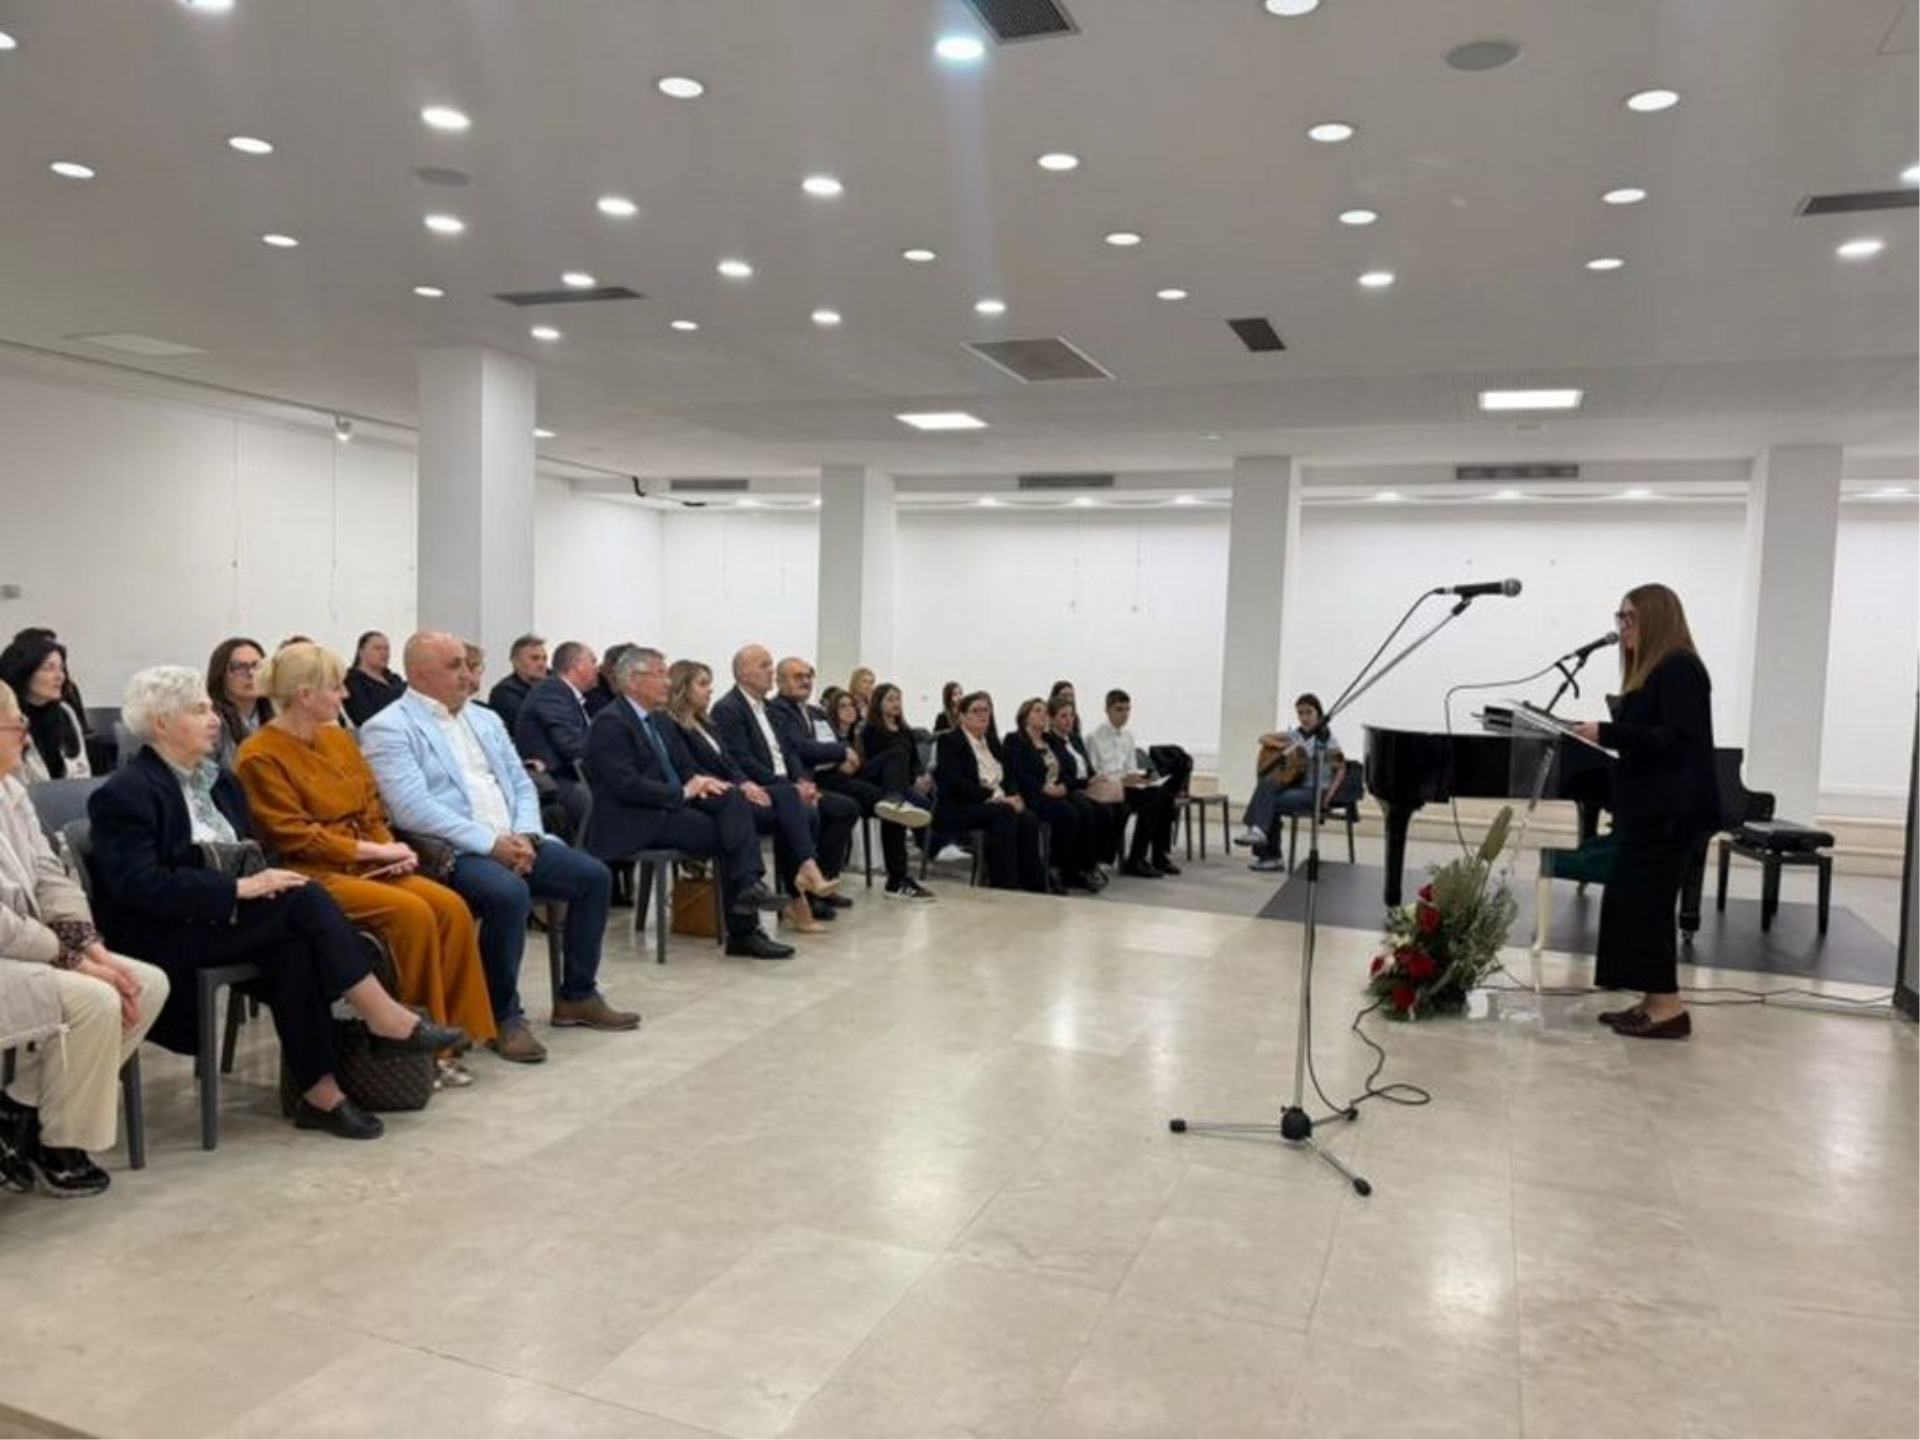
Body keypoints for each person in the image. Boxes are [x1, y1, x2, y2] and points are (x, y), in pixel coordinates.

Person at [85, 666, 464, 1138]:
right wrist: (238, 889)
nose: (215, 719)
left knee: (297, 947)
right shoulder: (125, 793)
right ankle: (384, 1019)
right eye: (199, 710)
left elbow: (253, 851)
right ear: (161, 724)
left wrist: (261, 880)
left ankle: (321, 1094)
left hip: (226, 919)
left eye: (211, 708)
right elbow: (139, 886)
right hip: (166, 932)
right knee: (306, 901)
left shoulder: (219, 782)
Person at [360, 632, 639, 1061]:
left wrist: (526, 835)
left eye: (469, 664)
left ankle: (578, 995)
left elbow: (521, 784)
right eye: (455, 665)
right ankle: (502, 1015)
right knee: (509, 894)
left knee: (593, 876)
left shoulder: (485, 719)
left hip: (514, 839)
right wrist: (491, 844)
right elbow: (412, 809)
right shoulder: (389, 727)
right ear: (419, 674)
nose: (468, 675)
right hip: (452, 851)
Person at [231, 643, 498, 1072]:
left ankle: (460, 1030)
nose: (345, 695)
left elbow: (370, 806)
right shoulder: (259, 755)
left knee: (451, 907)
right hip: (312, 872)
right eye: (336, 687)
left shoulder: (338, 739)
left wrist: (391, 851)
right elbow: (292, 835)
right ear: (305, 695)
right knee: (412, 914)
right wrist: (375, 850)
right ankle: (420, 1048)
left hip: (366, 861)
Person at [0, 683, 167, 1195]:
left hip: (28, 947)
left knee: (146, 983)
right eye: (15, 724)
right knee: (96, 999)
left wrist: (90, 946)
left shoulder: (10, 790)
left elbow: (50, 875)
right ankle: (60, 1141)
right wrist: (73, 960)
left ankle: (21, 1111)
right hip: (11, 950)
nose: (26, 733)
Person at [1574, 584, 1719, 1041]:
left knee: (1649, 908)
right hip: (1653, 810)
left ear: (1656, 619)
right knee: (1632, 903)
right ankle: (1652, 1000)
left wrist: (1608, 732)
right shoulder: (1657, 670)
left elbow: (1677, 740)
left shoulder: (1679, 667)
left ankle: (1668, 1010)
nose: (1621, 627)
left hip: (1671, 813)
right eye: (1619, 617)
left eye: (1630, 618)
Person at [583, 646, 791, 960]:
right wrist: (683, 792)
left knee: (731, 798)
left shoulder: (656, 720)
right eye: (660, 674)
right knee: (729, 835)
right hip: (633, 818)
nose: (668, 682)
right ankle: (744, 925)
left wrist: (702, 782)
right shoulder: (610, 722)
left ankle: (749, 890)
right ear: (634, 680)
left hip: (665, 808)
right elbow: (626, 785)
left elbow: (682, 767)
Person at [663, 659, 839, 935]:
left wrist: (745, 783)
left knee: (789, 795)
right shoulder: (673, 724)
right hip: (711, 796)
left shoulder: (705, 723)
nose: (710, 690)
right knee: (794, 812)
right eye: (702, 684)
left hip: (732, 790)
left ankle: (807, 869)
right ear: (682, 688)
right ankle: (794, 887)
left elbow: (732, 763)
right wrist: (739, 786)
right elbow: (688, 768)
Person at [711, 645, 855, 922]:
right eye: (764, 665)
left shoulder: (768, 708)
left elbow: (789, 752)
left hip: (786, 785)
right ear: (744, 672)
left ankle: (808, 888)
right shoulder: (728, 708)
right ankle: (798, 891)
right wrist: (788, 787)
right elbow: (742, 760)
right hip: (759, 788)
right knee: (805, 812)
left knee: (838, 808)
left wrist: (801, 780)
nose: (771, 671)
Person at [771, 655, 930, 897]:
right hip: (814, 779)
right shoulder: (777, 710)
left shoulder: (815, 712)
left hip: (839, 774)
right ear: (780, 681)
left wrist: (844, 754)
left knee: (892, 794)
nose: (805, 681)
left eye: (808, 676)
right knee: (869, 805)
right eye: (798, 676)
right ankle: (881, 879)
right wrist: (841, 753)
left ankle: (896, 876)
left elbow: (838, 741)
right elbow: (799, 747)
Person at [933, 691, 1047, 892]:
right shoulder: (949, 741)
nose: (982, 715)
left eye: (986, 710)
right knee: (1005, 813)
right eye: (975, 710)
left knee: (1028, 818)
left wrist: (1014, 796)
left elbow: (1009, 776)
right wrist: (995, 797)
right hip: (960, 806)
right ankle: (1005, 884)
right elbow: (955, 783)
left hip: (996, 804)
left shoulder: (992, 742)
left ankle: (1034, 886)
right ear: (962, 716)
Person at [1239, 693, 1347, 874]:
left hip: (1316, 791)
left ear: (1318, 714)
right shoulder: (1296, 736)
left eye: (1308, 712)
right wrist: (1283, 747)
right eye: (1300, 713)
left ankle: (1267, 852)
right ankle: (1260, 836)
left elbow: (1341, 769)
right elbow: (1263, 738)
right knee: (1267, 785)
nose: (1304, 717)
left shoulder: (1327, 740)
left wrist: (1328, 797)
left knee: (1269, 801)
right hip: (1298, 788)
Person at [1004, 698, 1105, 891]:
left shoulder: (1048, 740)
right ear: (1025, 717)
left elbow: (1063, 770)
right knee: (1068, 814)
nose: (1043, 714)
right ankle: (1055, 869)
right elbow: (1017, 773)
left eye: (1044, 711)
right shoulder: (1015, 739)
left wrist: (1065, 786)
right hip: (1031, 793)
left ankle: (1079, 868)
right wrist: (1043, 788)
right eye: (1037, 711)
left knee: (1086, 809)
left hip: (1053, 791)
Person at [858, 683, 938, 902]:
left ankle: (911, 866)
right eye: (890, 699)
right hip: (875, 780)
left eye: (898, 699)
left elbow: (915, 764)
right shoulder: (871, 730)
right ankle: (898, 878)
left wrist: (920, 778)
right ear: (878, 703)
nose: (896, 703)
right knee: (896, 756)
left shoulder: (905, 731)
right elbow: (873, 762)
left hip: (900, 785)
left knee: (920, 806)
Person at [1088, 688, 1179, 878]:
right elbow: (1094, 773)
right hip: (1109, 787)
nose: (1124, 714)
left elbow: (1130, 767)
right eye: (1119, 709)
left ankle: (1159, 855)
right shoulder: (1093, 737)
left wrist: (1140, 777)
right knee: (1152, 799)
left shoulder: (1128, 736)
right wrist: (1121, 779)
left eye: (1127, 709)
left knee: (1164, 795)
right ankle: (1136, 859)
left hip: (1127, 786)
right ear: (1107, 710)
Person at [513, 640, 597, 841]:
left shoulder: (564, 693)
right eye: (593, 662)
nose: (597, 668)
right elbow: (571, 745)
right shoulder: (551, 692)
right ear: (578, 665)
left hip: (569, 775)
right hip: (555, 780)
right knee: (608, 806)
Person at [0, 634, 91, 784]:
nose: (60, 676)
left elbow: (82, 771)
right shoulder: (6, 719)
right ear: (24, 672)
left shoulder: (65, 712)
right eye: (48, 668)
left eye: (61, 668)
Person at [1046, 694, 1124, 867]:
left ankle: (1102, 858)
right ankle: (1086, 864)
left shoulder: (1075, 738)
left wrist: (1096, 777)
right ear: (1051, 719)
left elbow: (1087, 766)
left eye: (1071, 715)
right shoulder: (1049, 742)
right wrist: (1086, 782)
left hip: (1087, 785)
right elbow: (1060, 775)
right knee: (1090, 810)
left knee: (1119, 806)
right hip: (1071, 788)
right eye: (1063, 716)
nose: (1069, 720)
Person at [207, 636, 274, 770]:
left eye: (257, 666)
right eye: (239, 667)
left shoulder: (277, 716)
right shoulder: (211, 722)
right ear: (221, 675)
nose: (251, 673)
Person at [343, 631, 407, 727]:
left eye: (387, 649)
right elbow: (363, 716)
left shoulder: (395, 679)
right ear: (361, 652)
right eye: (377, 648)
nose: (384, 653)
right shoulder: (352, 680)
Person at [487, 633, 548, 733]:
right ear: (516, 662)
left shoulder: (552, 685)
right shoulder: (504, 693)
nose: (542, 664)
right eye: (534, 658)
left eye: (544, 659)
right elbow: (530, 726)